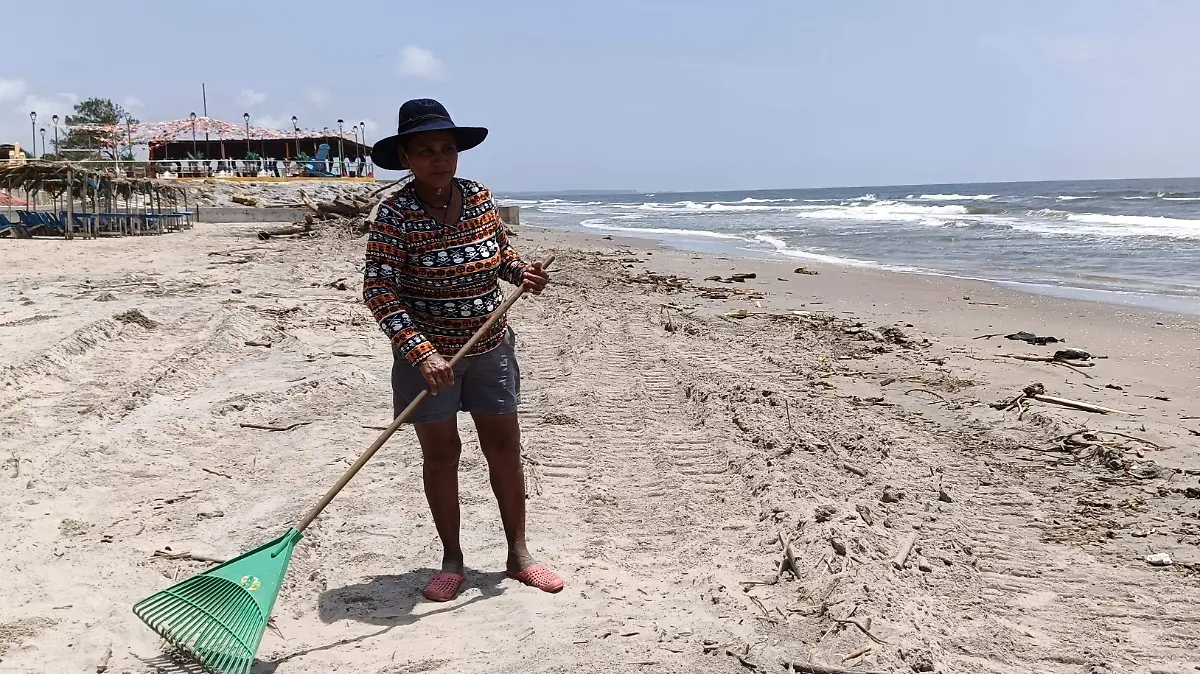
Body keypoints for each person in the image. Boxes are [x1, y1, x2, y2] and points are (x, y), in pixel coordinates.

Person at [364, 98, 561, 602]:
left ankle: (518, 555)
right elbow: (379, 290)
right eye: (426, 150)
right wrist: (421, 350)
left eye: (447, 149)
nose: (439, 159)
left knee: (504, 448)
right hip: (427, 360)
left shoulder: (478, 197)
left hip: (489, 346)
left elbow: (500, 255)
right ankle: (452, 559)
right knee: (441, 454)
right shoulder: (395, 214)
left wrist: (524, 276)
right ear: (406, 157)